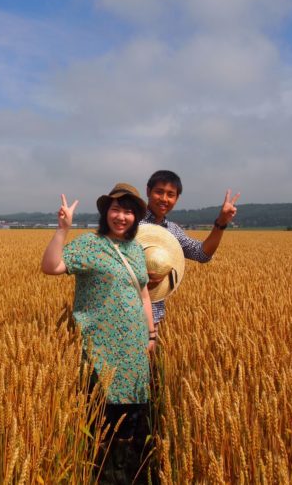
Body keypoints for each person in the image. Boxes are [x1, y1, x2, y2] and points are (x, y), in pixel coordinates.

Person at [41, 183, 155, 482]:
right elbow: (51, 267)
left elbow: (143, 294)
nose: (122, 216)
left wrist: (151, 335)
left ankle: (122, 470)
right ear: (106, 213)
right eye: (116, 209)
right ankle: (100, 472)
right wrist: (62, 229)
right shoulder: (89, 245)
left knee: (130, 412)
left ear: (136, 217)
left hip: (133, 346)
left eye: (129, 212)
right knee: (99, 412)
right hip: (98, 346)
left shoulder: (136, 250)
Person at [141, 170, 240, 325]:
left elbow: (201, 254)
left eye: (170, 194)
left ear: (177, 198)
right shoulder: (131, 223)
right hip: (123, 317)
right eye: (159, 192)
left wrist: (221, 222)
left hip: (154, 321)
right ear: (148, 191)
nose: (164, 199)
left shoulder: (172, 231)